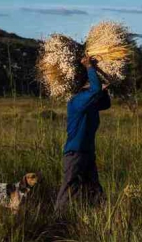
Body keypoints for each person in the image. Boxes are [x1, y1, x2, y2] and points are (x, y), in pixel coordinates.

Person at [54, 56, 111, 213]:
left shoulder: (90, 104)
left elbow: (106, 103)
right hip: (75, 154)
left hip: (87, 153)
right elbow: (96, 91)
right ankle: (58, 220)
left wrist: (105, 86)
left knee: (94, 188)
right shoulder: (77, 101)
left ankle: (104, 216)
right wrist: (89, 67)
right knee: (69, 188)